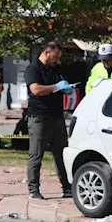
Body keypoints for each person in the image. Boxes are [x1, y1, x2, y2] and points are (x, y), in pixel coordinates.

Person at [24, 41, 73, 200]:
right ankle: (33, 189)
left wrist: (66, 88)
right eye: (55, 56)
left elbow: (61, 85)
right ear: (46, 53)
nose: (57, 59)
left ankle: (67, 187)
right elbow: (36, 89)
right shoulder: (33, 69)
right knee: (36, 154)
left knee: (61, 154)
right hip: (39, 116)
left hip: (57, 116)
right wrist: (55, 87)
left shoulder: (56, 69)